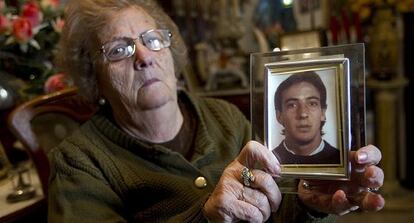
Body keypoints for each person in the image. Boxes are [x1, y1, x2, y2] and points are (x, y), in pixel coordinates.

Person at [48, 0, 385, 222]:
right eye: (119, 49)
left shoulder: (224, 116)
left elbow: (270, 209)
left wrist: (308, 203)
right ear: (93, 74)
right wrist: (206, 216)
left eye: (152, 39)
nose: (144, 56)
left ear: (169, 51)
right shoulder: (79, 160)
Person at [272, 71, 340, 164]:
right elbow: (248, 178)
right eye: (292, 105)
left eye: (312, 103)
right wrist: (247, 177)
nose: (303, 114)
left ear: (323, 112)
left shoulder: (342, 161)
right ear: (279, 115)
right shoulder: (266, 162)